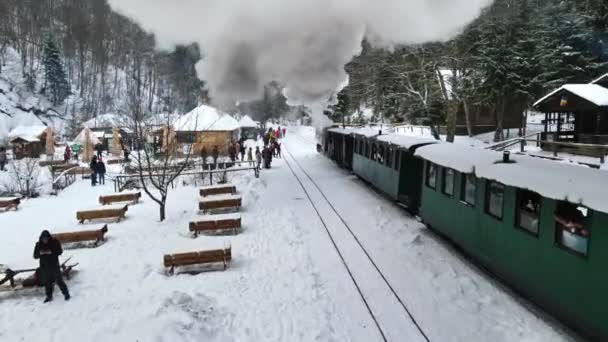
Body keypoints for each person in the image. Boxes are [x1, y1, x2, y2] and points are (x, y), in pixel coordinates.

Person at [34, 230, 70, 303]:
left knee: (59, 280)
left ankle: (66, 294)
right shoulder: (38, 244)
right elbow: (35, 256)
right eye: (43, 239)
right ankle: (49, 296)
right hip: (44, 266)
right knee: (47, 282)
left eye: (46, 239)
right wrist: (41, 253)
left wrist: (51, 252)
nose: (45, 240)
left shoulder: (54, 242)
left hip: (54, 265)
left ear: (49, 238)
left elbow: (60, 251)